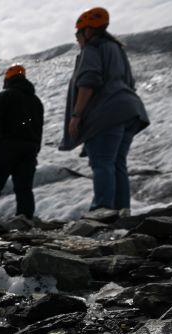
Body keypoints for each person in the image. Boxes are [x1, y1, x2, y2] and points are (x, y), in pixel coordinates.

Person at [59, 7, 150, 214]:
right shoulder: (117, 49)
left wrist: (76, 115)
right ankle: (122, 210)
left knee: (102, 162)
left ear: (88, 31)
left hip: (106, 113)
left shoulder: (92, 49)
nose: (77, 39)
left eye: (78, 34)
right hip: (130, 111)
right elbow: (129, 82)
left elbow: (89, 81)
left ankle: (102, 209)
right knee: (117, 163)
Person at [0, 63, 44, 221]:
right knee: (24, 188)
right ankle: (25, 220)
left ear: (8, 79)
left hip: (7, 146)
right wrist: (35, 149)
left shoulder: (5, 96)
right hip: (29, 148)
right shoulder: (36, 101)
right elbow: (39, 127)